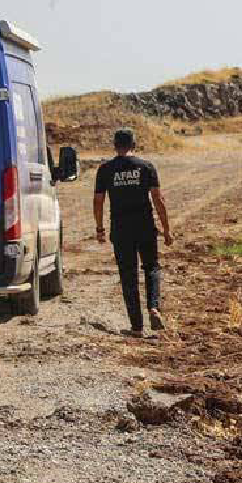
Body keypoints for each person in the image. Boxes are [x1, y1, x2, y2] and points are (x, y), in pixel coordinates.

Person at [93, 129, 173, 336]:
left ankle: (137, 327)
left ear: (115, 146)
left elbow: (98, 200)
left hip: (121, 230)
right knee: (152, 267)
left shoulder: (106, 170)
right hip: (145, 227)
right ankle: (153, 307)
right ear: (134, 145)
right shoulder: (146, 167)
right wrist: (166, 229)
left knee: (128, 275)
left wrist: (100, 228)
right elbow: (158, 199)